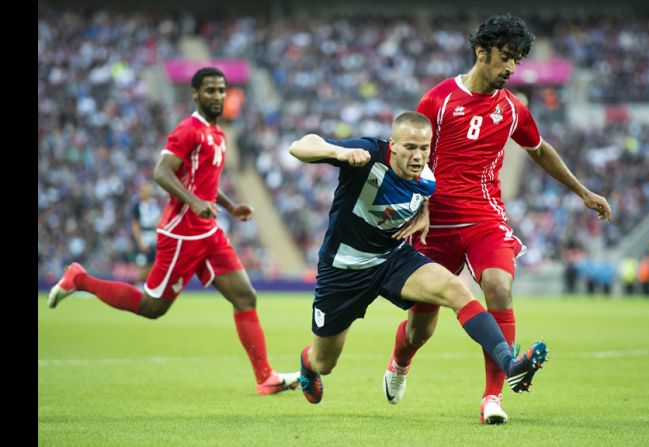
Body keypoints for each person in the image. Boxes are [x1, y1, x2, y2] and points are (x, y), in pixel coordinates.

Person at [382, 14, 612, 424]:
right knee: (420, 330)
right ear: (481, 52)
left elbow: (540, 150)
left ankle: (493, 397)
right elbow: (410, 160)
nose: (509, 68)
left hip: (484, 218)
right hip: (434, 223)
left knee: (498, 287)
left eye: (516, 61)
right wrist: (417, 204)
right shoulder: (437, 100)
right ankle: (400, 360)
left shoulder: (512, 109)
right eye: (504, 58)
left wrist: (582, 191)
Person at [47, 67, 300, 395]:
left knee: (245, 296)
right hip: (182, 234)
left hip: (208, 232)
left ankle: (265, 377)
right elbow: (162, 173)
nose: (218, 96)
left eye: (222, 90)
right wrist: (194, 202)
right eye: (210, 90)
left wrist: (231, 206)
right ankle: (79, 279)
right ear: (195, 93)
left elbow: (207, 180)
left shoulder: (218, 133)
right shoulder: (188, 130)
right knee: (152, 308)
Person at [288, 112, 548, 411]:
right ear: (393, 145)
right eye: (410, 147)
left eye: (424, 148)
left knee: (456, 289)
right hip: (344, 269)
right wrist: (339, 151)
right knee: (325, 361)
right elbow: (301, 145)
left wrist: (423, 213)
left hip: (391, 259)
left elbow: (422, 195)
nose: (418, 156)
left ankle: (510, 364)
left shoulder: (426, 179)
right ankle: (307, 366)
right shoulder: (369, 152)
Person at [129, 183, 161, 287]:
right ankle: (133, 286)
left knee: (153, 266)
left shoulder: (154, 204)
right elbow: (135, 225)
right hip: (145, 236)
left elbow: (158, 220)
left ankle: (144, 287)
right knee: (144, 266)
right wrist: (140, 241)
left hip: (154, 237)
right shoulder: (138, 205)